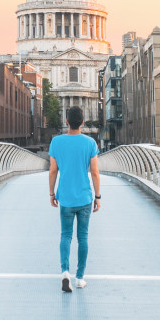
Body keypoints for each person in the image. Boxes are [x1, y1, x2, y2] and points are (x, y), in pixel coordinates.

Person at [48, 106, 101, 292]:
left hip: (66, 197)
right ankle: (79, 278)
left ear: (67, 121)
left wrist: (52, 194)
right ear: (83, 123)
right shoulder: (90, 143)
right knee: (83, 237)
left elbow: (53, 170)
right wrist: (98, 196)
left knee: (65, 235)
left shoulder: (56, 142)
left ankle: (64, 273)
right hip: (85, 197)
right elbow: (94, 172)